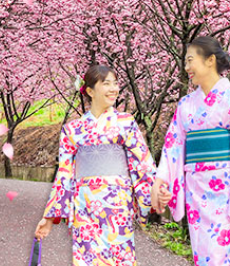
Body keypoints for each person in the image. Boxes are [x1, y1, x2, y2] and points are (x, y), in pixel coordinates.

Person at [151, 36, 230, 266]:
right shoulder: (185, 105)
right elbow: (173, 146)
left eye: (191, 60)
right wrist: (161, 181)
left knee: (221, 257)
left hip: (227, 190)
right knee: (204, 256)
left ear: (210, 60)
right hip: (195, 191)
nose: (187, 67)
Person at [34, 65, 157, 266]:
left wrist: (155, 194)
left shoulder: (126, 122)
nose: (114, 89)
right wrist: (49, 218)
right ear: (90, 91)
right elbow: (64, 174)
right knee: (86, 260)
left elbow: (142, 164)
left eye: (115, 83)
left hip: (117, 206)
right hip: (85, 206)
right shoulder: (72, 130)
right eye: (106, 83)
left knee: (120, 259)